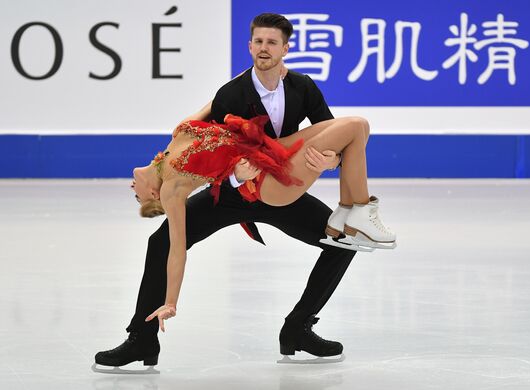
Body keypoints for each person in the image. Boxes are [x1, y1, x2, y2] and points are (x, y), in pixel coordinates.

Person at [94, 13, 392, 368]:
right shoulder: (231, 94)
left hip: (282, 188)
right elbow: (210, 152)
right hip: (231, 194)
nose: (264, 48)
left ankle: (298, 327)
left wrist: (329, 161)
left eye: (272, 42)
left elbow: (334, 136)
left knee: (343, 242)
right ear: (250, 46)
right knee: (160, 243)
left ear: (285, 48)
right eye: (259, 42)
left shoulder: (303, 87)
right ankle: (141, 340)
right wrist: (233, 175)